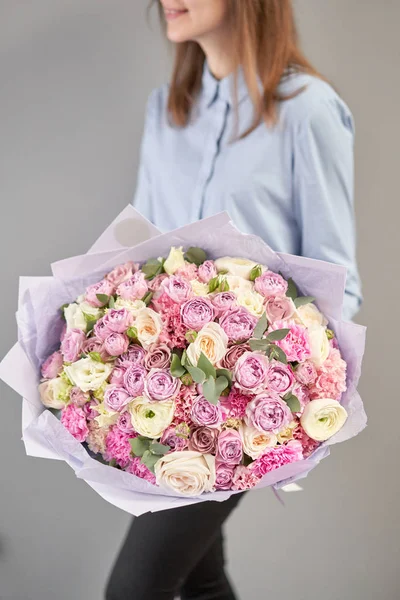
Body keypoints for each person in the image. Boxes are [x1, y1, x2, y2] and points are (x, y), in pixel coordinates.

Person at [105, 1, 362, 599]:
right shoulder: (167, 113)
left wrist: (294, 403)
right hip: (162, 401)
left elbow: (336, 283)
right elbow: (142, 257)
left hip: (246, 408)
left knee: (133, 591)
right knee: (201, 581)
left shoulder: (307, 111)